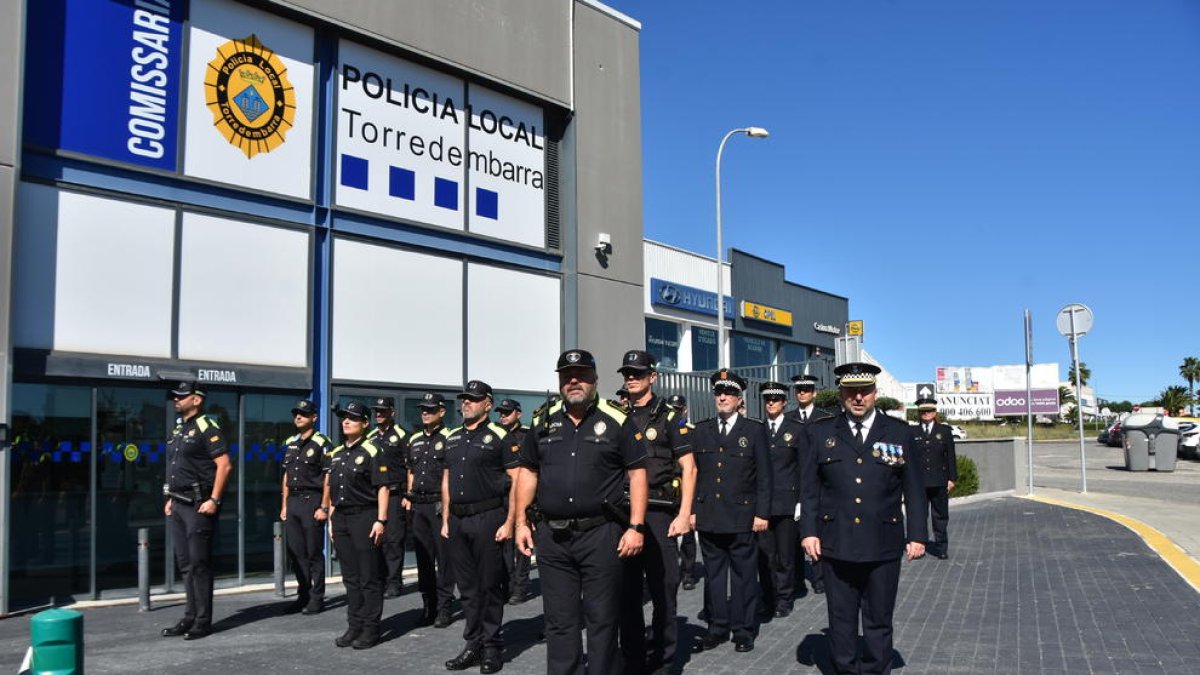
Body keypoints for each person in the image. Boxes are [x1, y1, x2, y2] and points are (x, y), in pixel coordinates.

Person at [514, 349, 648, 675]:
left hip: (601, 534)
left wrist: (636, 527)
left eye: (581, 374)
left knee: (602, 619)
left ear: (595, 378)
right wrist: (519, 521)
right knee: (560, 621)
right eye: (566, 375)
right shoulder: (542, 420)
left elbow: (638, 473)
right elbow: (528, 473)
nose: (574, 380)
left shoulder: (617, 419)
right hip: (553, 537)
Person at [800, 362, 929, 675]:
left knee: (879, 619)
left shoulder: (899, 432)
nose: (858, 397)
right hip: (836, 542)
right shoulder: (821, 432)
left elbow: (913, 488)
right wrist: (808, 532)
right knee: (841, 618)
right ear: (841, 393)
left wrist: (918, 535)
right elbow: (809, 489)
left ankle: (875, 670)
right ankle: (844, 669)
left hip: (883, 542)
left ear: (875, 392)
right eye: (851, 391)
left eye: (865, 391)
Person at [615, 350, 696, 675]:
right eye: (627, 373)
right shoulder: (616, 417)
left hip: (661, 514)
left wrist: (684, 514)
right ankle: (633, 660)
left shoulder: (670, 416)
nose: (631, 378)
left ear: (653, 376)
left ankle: (663, 663)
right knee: (626, 594)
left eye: (638, 372)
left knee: (664, 592)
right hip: (622, 515)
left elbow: (689, 469)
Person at [690, 370, 771, 654]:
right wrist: (691, 510)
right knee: (713, 576)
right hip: (710, 515)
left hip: (742, 516)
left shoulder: (754, 430)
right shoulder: (701, 430)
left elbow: (764, 476)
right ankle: (717, 627)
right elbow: (695, 474)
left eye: (729, 393)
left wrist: (762, 514)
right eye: (718, 393)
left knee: (744, 577)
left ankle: (743, 630)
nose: (722, 397)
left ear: (739, 399)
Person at [440, 381, 518, 673]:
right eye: (464, 399)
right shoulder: (452, 437)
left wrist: (510, 521)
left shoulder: (501, 436)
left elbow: (516, 481)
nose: (466, 403)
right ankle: (472, 644)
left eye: (473, 399)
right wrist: (446, 517)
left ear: (488, 404)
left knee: (489, 586)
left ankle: (492, 648)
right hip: (458, 521)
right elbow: (446, 480)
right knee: (468, 589)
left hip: (488, 518)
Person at [160, 381, 232, 641]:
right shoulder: (179, 429)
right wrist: (169, 497)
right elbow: (174, 465)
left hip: (198, 504)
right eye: (176, 397)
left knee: (200, 564)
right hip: (178, 503)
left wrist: (214, 499)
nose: (176, 400)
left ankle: (203, 621)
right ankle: (189, 616)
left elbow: (224, 465)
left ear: (197, 399)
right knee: (185, 564)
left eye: (182, 396)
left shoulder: (207, 427)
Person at [327, 400, 391, 650]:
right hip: (341, 518)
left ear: (365, 424)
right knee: (350, 578)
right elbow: (332, 490)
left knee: (369, 577)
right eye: (344, 418)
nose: (346, 421)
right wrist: (332, 521)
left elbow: (382, 487)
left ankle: (370, 628)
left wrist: (381, 520)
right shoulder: (337, 453)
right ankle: (354, 626)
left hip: (365, 517)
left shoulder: (373, 451)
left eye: (352, 418)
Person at [405, 392, 457, 627]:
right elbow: (411, 471)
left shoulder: (451, 438)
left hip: (439, 505)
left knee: (444, 560)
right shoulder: (414, 439)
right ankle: (429, 606)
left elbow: (453, 476)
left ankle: (445, 608)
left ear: (442, 412)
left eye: (430, 409)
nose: (425, 412)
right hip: (419, 505)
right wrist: (409, 495)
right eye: (423, 409)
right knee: (424, 560)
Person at [279, 399, 333, 615]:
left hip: (312, 501)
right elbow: (286, 476)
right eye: (296, 414)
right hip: (293, 502)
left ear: (314, 418)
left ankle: (316, 598)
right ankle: (303, 595)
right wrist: (284, 505)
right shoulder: (291, 443)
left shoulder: (322, 442)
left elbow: (328, 477)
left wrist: (324, 506)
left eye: (303, 414)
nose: (298, 417)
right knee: (296, 553)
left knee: (313, 553)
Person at [757, 381, 804, 618]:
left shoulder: (797, 429)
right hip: (763, 505)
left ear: (785, 402)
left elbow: (803, 468)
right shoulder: (757, 429)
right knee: (765, 555)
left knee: (786, 555)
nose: (771, 403)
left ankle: (784, 598)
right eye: (767, 399)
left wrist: (801, 501)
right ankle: (768, 596)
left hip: (787, 502)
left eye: (775, 399)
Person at [790, 372, 835, 595]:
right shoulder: (787, 418)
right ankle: (797, 579)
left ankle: (820, 578)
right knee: (794, 536)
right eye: (799, 390)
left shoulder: (825, 418)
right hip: (793, 483)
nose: (802, 393)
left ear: (814, 393)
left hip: (818, 483)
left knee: (817, 530)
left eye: (806, 389)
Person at [367, 397, 409, 598]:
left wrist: (407, 494)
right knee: (377, 539)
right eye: (376, 411)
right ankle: (381, 579)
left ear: (392, 412)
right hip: (374, 496)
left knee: (393, 540)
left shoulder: (402, 436)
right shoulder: (371, 436)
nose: (379, 414)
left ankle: (394, 582)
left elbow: (410, 467)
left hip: (394, 494)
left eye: (383, 411)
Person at [495, 398, 532, 605]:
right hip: (502, 496)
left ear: (518, 413)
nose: (503, 416)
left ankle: (520, 587)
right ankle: (507, 584)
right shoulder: (496, 436)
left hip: (522, 496)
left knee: (522, 545)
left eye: (507, 412)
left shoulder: (527, 435)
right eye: (501, 413)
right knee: (504, 545)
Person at [913, 396, 956, 559]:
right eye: (923, 411)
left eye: (929, 410)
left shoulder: (944, 431)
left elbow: (950, 456)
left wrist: (952, 478)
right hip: (920, 482)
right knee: (920, 515)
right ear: (919, 413)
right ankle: (920, 545)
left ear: (934, 411)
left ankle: (941, 547)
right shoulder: (912, 432)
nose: (926, 413)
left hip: (939, 480)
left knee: (940, 516)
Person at [666, 394, 699, 592]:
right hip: (668, 486)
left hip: (685, 484)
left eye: (679, 409)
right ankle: (669, 570)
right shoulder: (664, 428)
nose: (676, 412)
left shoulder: (692, 431)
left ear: (685, 410)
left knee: (687, 533)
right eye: (673, 409)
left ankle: (688, 573)